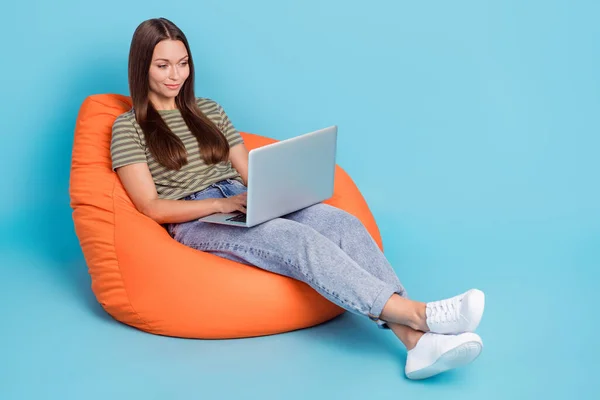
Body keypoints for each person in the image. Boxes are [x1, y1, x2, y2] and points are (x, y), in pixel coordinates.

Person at [110, 17, 486, 380]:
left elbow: (248, 172)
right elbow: (150, 207)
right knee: (298, 240)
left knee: (342, 223)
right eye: (163, 65)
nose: (175, 75)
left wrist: (280, 188)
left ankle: (416, 344)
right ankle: (419, 315)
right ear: (142, 66)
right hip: (195, 219)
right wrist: (219, 205)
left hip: (239, 198)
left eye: (183, 63)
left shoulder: (209, 110)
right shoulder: (128, 128)